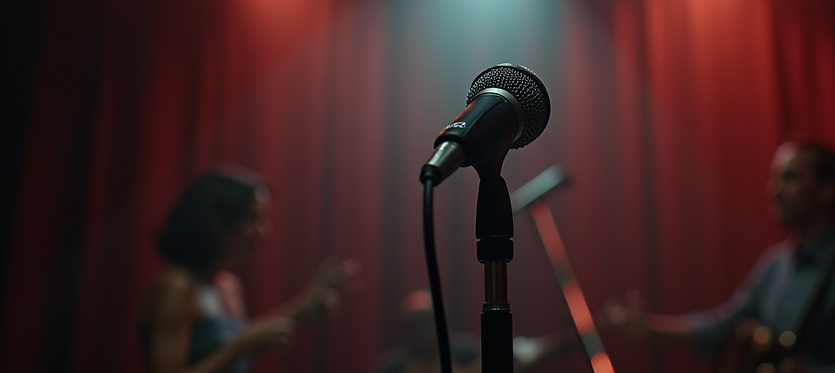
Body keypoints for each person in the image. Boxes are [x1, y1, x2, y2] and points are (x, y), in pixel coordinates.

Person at [604, 140, 835, 373]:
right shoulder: (775, 265)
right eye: (776, 177)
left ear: (828, 190)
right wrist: (648, 327)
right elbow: (725, 326)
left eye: (789, 178)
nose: (773, 189)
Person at [138, 166, 359, 373]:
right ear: (218, 223)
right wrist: (242, 345)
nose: (264, 231)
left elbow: (243, 339)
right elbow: (241, 343)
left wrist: (308, 302)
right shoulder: (177, 287)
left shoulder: (228, 286)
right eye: (253, 219)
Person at [375, 290, 576, 373]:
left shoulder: (466, 353)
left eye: (430, 322)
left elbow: (516, 361)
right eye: (417, 325)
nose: (426, 331)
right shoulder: (391, 368)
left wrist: (563, 343)